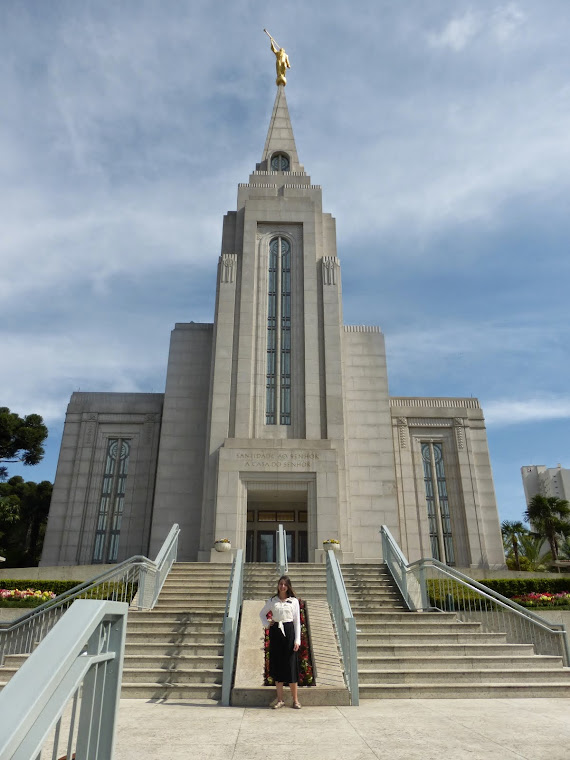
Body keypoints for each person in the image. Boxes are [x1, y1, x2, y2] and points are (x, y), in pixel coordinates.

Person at [259, 575, 301, 708]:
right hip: (276, 631)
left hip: (289, 631)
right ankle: (280, 700)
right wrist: (267, 624)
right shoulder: (273, 600)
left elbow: (297, 621)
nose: (282, 586)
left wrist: (297, 639)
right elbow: (262, 614)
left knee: (291, 665)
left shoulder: (293, 601)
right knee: (278, 665)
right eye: (280, 584)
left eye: (285, 584)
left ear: (288, 586)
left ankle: (295, 700)